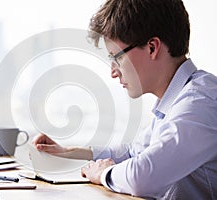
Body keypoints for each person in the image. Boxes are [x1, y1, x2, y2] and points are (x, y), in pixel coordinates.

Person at [32, 0, 217, 199]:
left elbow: (142, 177)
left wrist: (102, 173)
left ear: (152, 48)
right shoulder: (176, 100)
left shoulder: (200, 102)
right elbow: (132, 153)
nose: (113, 72)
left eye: (116, 57)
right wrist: (69, 152)